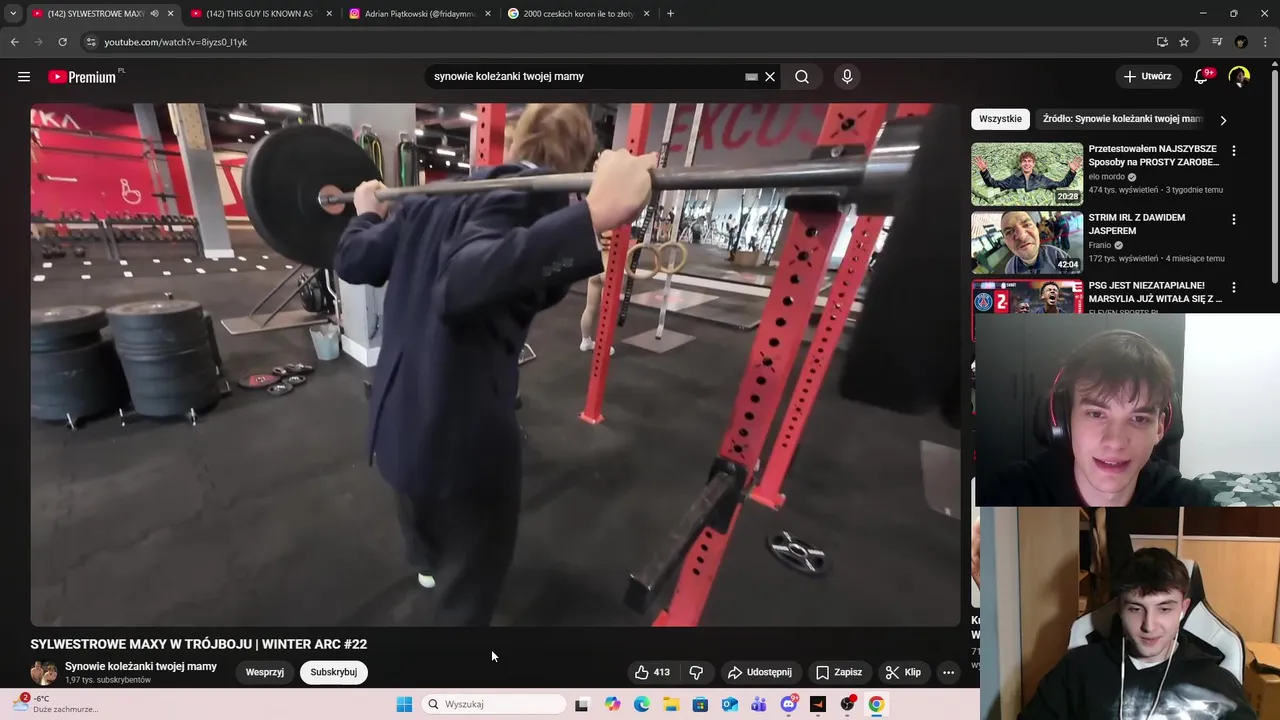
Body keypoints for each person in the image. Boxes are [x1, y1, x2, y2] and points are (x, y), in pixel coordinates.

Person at [333, 103, 657, 626]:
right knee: (470, 581)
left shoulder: (434, 199)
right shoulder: (533, 200)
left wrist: (367, 212)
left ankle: (426, 564)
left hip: (397, 420)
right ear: (578, 160)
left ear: (518, 140)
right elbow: (462, 284)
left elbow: (354, 259)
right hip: (461, 442)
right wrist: (593, 214)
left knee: (419, 508)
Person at [978, 330, 1218, 507]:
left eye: (1139, 418)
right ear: (1064, 420)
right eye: (1096, 414)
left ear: (1160, 428)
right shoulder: (1007, 493)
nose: (1115, 442)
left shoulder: (1192, 501)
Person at [1019, 548, 1254, 719]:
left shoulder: (1216, 682)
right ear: (1119, 608)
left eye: (1164, 609)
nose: (1149, 626)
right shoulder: (1077, 670)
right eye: (1135, 609)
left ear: (1183, 609)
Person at [578, 226, 615, 355]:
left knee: (589, 308)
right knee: (607, 311)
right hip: (609, 267)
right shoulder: (617, 224)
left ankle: (585, 341)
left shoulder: (598, 224)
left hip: (596, 266)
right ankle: (604, 346)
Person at [974, 150, 1083, 194]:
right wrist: (984, 171)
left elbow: (1062, 184)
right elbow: (993, 184)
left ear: (1034, 164)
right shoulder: (1013, 179)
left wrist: (1072, 171)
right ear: (1020, 164)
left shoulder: (1041, 179)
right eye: (1024, 161)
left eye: (1029, 161)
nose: (1027, 164)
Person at [1001, 211, 1072, 274]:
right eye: (1009, 232)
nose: (1022, 236)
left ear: (1037, 229)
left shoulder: (1059, 256)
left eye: (1027, 225)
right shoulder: (1010, 269)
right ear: (1005, 241)